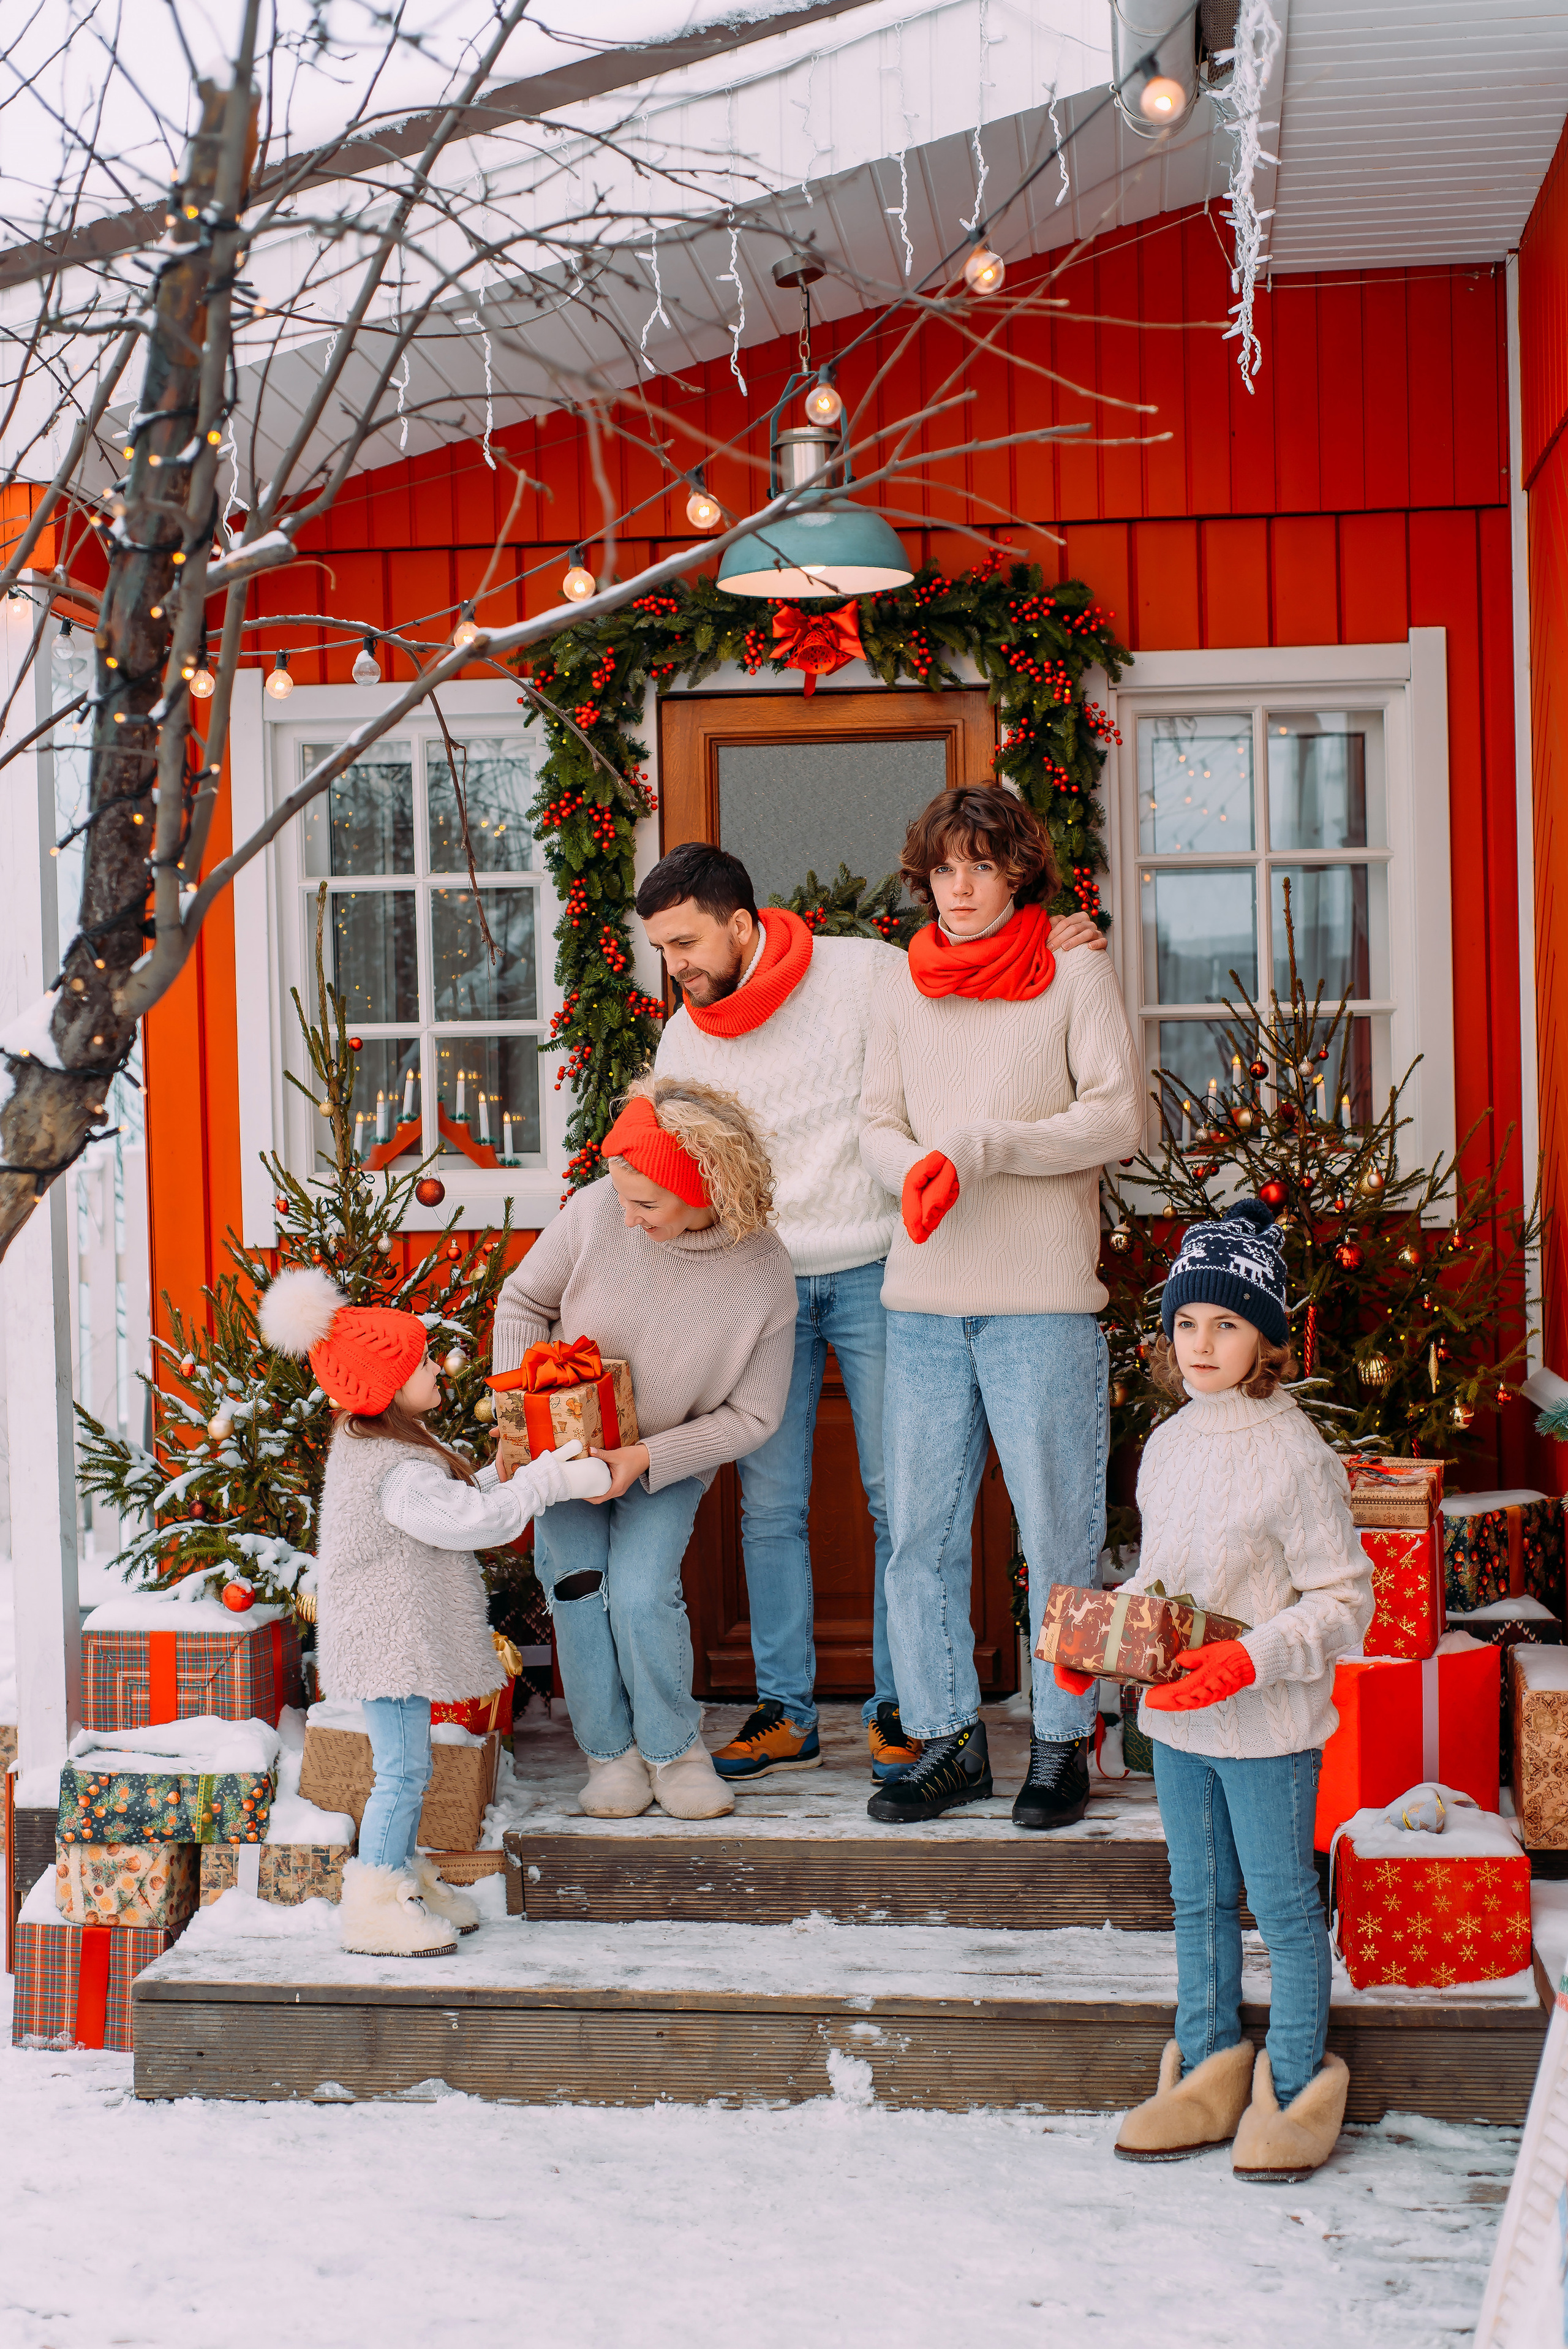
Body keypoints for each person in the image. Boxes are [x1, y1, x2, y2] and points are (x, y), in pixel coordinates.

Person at [639, 836, 1106, 1787]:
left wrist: (1061, 941)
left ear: (739, 924)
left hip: (875, 1267)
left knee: (906, 1504)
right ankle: (787, 1709)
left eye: (686, 941)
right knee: (770, 1503)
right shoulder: (683, 1034)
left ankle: (909, 1709)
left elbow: (969, 978)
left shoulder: (863, 974)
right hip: (758, 1279)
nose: (675, 964)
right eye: (660, 949)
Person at [1061, 1197, 1372, 2181]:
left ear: (1266, 1338)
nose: (1202, 1343)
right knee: (1197, 1896)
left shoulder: (1294, 1454)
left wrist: (1252, 1658)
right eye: (1187, 1322)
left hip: (1267, 1722)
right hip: (1181, 1721)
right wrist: (1102, 1641)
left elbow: (1343, 1599)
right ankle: (1204, 2068)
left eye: (1227, 1323)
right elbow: (1159, 1580)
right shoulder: (1169, 1441)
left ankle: (1290, 2084)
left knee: (1279, 1902)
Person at [858, 784, 1143, 1828]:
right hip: (925, 1302)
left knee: (1059, 1532)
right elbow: (875, 1121)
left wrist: (987, 1145)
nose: (963, 885)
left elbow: (1119, 1117)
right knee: (917, 1538)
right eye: (946, 868)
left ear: (1019, 869)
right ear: (925, 876)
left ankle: (1064, 1742)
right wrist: (921, 1166)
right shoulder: (900, 985)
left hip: (1041, 1305)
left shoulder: (1073, 964)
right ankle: (950, 1742)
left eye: (982, 865)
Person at [259, 1265, 600, 1957]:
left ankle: (402, 1877)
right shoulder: (396, 1468)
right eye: (421, 1363)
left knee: (405, 1768)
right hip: (388, 1641)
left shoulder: (384, 1447)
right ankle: (377, 1901)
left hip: (386, 1636)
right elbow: (472, 1522)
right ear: (385, 1387)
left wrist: (507, 1472)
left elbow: (454, 1500)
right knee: (403, 1772)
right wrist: (549, 1479)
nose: (438, 1369)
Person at [493, 1073, 796, 1822]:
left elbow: (753, 1416)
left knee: (638, 1593)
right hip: (563, 1453)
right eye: (621, 1197)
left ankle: (672, 1749)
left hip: (666, 1460)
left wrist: (644, 1461)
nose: (627, 1218)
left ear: (707, 1187)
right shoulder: (598, 1211)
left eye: (647, 1204)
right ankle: (608, 1755)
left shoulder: (762, 1272)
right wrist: (519, 1423)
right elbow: (525, 1302)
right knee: (576, 1583)